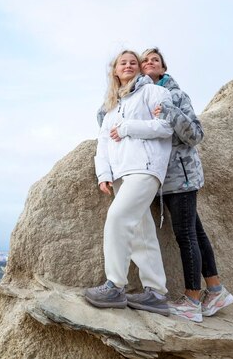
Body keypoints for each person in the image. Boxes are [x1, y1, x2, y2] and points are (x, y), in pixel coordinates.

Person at [140, 47, 233, 323]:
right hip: (163, 179)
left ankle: (192, 299)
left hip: (180, 177)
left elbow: (195, 134)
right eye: (144, 60)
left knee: (186, 235)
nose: (148, 63)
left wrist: (168, 110)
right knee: (195, 231)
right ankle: (215, 290)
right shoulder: (141, 97)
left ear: (163, 68)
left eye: (154, 60)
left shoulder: (176, 96)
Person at [85, 50, 173, 316]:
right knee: (141, 232)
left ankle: (115, 285)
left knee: (117, 219)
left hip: (146, 168)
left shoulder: (153, 92)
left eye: (133, 62)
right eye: (123, 62)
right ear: (115, 70)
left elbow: (166, 126)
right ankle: (156, 293)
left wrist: (127, 128)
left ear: (139, 69)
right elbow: (103, 142)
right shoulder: (112, 105)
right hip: (122, 173)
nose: (129, 65)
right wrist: (103, 173)